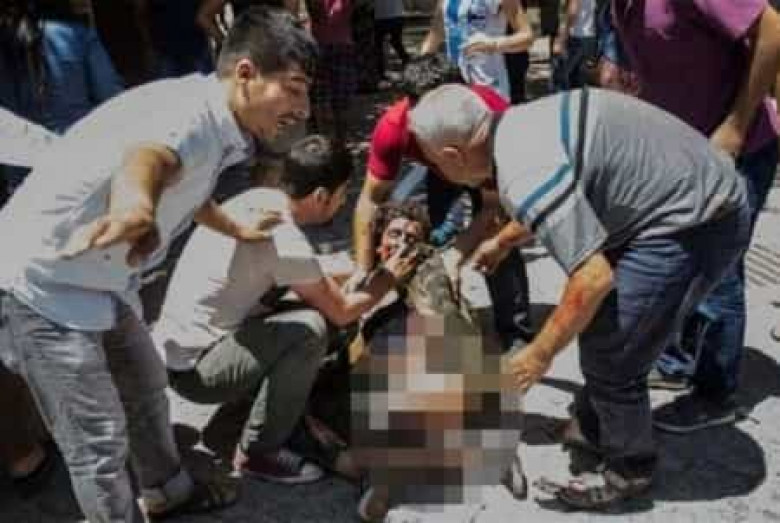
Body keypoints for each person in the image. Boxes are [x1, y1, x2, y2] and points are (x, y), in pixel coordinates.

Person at [0, 7, 316, 521]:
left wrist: (234, 228)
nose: (302, 109)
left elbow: (185, 182)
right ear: (245, 74)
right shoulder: (188, 120)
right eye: (294, 89)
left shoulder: (214, 117)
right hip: (42, 281)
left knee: (146, 389)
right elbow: (148, 160)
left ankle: (168, 492)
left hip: (99, 277)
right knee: (98, 441)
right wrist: (135, 208)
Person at [408, 84, 750, 510]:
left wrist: (538, 354)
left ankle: (630, 468)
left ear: (454, 155)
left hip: (699, 221)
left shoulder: (521, 172)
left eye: (434, 162)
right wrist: (504, 241)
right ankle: (594, 426)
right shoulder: (519, 124)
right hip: (683, 196)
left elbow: (592, 278)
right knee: (604, 327)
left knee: (613, 352)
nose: (437, 170)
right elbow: (563, 195)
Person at [153, 135, 418, 485]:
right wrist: (386, 279)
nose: (342, 203)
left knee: (308, 308)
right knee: (312, 329)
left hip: (182, 351)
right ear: (321, 195)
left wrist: (358, 270)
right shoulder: (285, 239)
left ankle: (269, 404)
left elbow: (305, 270)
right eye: (342, 195)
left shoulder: (258, 201)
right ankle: (260, 451)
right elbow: (342, 311)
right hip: (197, 374)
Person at [607, 1, 780, 433]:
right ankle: (678, 362)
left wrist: (736, 126)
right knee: (675, 259)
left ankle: (716, 393)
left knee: (718, 271)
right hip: (682, 154)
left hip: (737, 149)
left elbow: (773, 31)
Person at [350, 201, 524, 521]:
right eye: (395, 234)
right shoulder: (364, 282)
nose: (403, 243)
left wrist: (491, 195)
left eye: (411, 237)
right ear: (378, 243)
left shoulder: (439, 263)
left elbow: (481, 222)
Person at [353, 54, 533, 352]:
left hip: (480, 164)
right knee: (430, 235)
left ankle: (515, 331)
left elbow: (492, 208)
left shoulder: (489, 119)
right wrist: (364, 268)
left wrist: (457, 256)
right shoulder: (394, 127)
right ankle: (425, 314)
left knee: (500, 246)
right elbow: (370, 200)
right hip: (439, 168)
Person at [420, 0, 533, 100]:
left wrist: (494, 44)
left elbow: (527, 37)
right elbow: (435, 34)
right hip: (454, 85)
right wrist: (419, 67)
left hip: (489, 85)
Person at [550, 0, 598, 91]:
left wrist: (562, 39)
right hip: (589, 36)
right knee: (580, 80)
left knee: (561, 78)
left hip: (575, 37)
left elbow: (573, 12)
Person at [373, 0, 409, 80]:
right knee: (395, 42)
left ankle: (381, 73)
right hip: (393, 15)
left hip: (383, 16)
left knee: (380, 46)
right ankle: (407, 62)